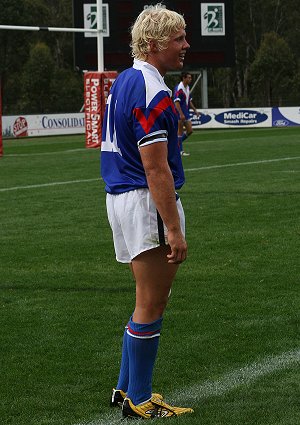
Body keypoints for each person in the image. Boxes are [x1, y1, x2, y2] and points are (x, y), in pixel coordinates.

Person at [100, 3, 194, 420]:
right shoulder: (153, 89)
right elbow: (155, 166)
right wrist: (173, 227)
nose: (185, 45)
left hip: (121, 197)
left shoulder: (125, 79)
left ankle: (124, 390)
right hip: (144, 200)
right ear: (154, 43)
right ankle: (140, 397)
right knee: (153, 303)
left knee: (145, 300)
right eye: (178, 38)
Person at [174, 71, 200, 156]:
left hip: (186, 112)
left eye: (190, 78)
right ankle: (180, 151)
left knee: (190, 131)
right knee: (180, 132)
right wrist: (181, 114)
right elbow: (176, 102)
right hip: (179, 113)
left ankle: (176, 145)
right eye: (188, 78)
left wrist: (195, 110)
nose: (190, 79)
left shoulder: (187, 87)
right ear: (184, 78)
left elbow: (189, 100)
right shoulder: (179, 88)